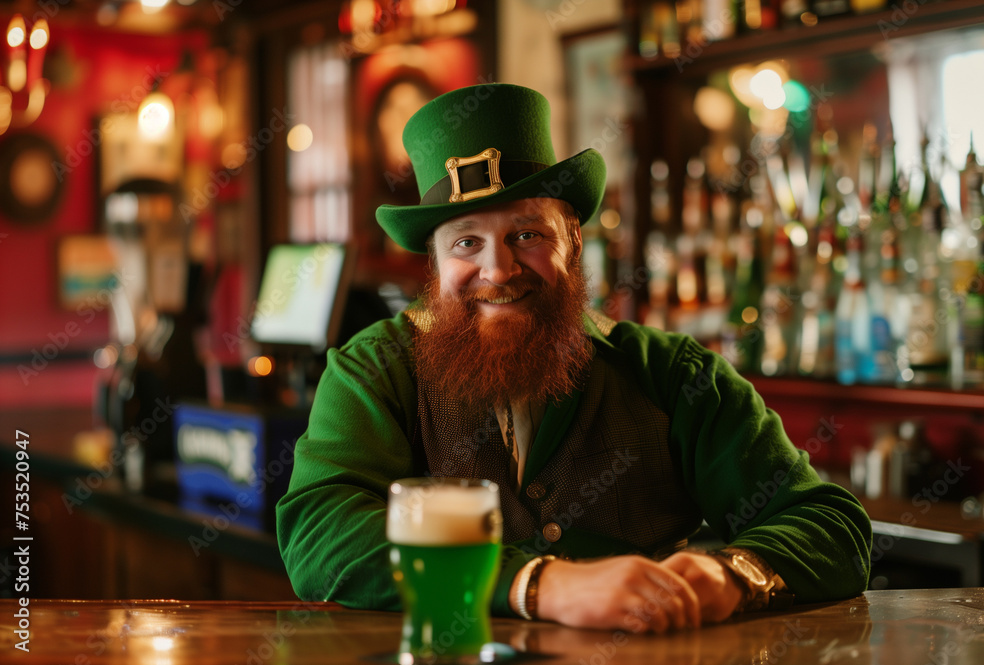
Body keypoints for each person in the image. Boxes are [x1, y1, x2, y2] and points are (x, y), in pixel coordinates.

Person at [276, 83, 872, 632]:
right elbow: (319, 533)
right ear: (435, 263)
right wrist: (536, 586)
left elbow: (833, 528)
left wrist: (735, 574)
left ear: (574, 240)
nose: (498, 270)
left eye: (527, 234)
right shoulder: (374, 372)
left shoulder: (673, 375)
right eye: (466, 242)